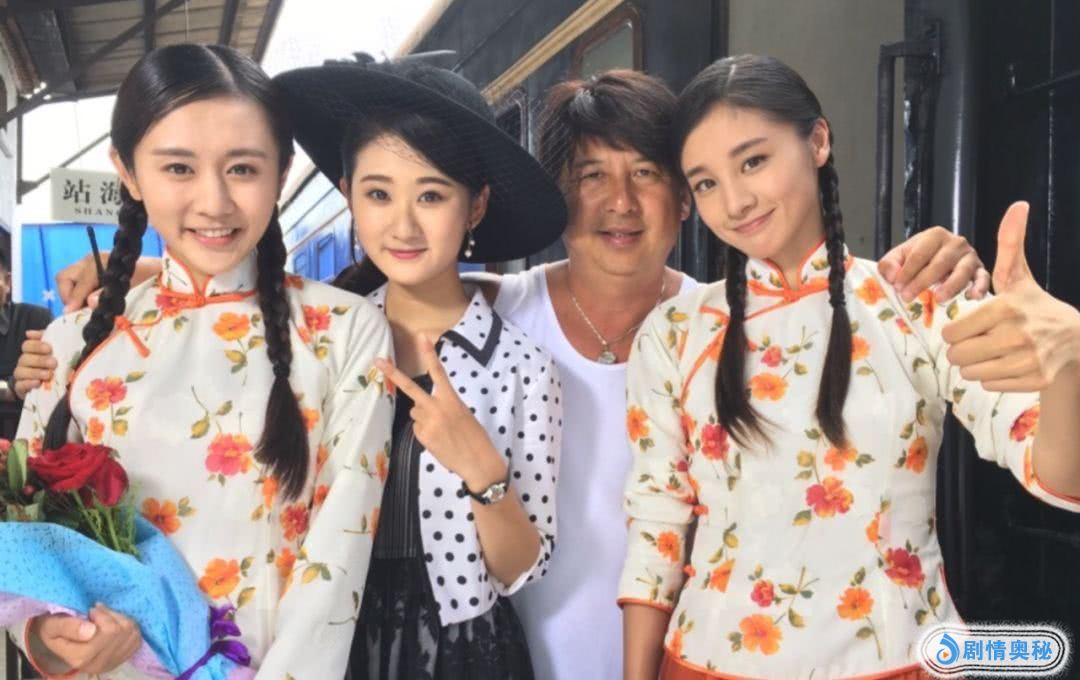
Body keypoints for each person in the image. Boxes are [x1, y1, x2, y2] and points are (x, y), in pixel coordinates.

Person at [18, 67, 990, 680]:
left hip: (655, 650)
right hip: (356, 645)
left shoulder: (707, 330)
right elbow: (401, 292)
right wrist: (148, 289)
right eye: (592, 175)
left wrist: (934, 270)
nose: (619, 203)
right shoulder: (363, 330)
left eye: (650, 175)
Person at [619, 54, 1080, 680]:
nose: (735, 201)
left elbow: (1057, 477)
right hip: (707, 664)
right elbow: (657, 530)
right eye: (705, 183)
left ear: (817, 141)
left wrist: (1071, 362)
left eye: (753, 161)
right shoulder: (674, 333)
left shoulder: (918, 300)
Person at [14, 44, 392, 679]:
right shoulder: (72, 342)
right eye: (178, 168)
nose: (214, 202)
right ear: (128, 172)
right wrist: (50, 635)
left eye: (242, 168)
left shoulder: (344, 331)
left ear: (282, 171)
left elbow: (338, 558)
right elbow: (28, 546)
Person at [274, 54, 565, 679]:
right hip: (330, 642)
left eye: (431, 195)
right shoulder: (322, 340)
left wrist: (482, 469)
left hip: (462, 657)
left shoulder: (522, 367)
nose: (402, 224)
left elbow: (521, 569)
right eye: (378, 194)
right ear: (349, 196)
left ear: (475, 207)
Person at [0, 250, 51, 438]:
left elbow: (49, 385)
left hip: (21, 441)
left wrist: (13, 388)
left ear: (7, 282)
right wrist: (10, 387)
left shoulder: (36, 319)